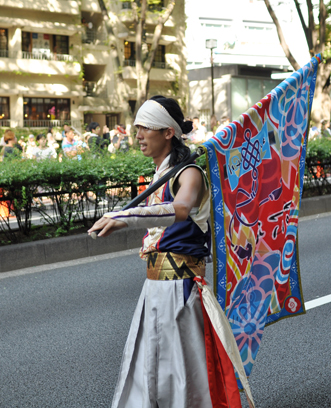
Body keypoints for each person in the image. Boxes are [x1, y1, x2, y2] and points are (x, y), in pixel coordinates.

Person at [89, 95, 215, 408]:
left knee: (184, 376)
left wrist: (125, 218)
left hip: (182, 290)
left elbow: (182, 209)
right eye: (137, 127)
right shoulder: (163, 175)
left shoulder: (189, 173)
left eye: (147, 127)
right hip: (155, 287)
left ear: (169, 132)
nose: (139, 133)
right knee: (145, 372)